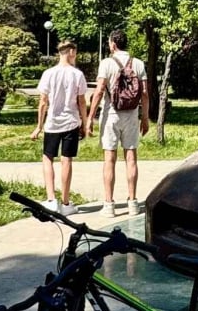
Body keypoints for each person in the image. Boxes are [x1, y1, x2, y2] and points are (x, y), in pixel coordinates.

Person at [87, 30, 151, 215]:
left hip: (111, 115)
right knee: (131, 158)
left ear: (113, 44)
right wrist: (144, 118)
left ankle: (109, 204)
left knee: (109, 159)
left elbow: (99, 91)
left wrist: (90, 117)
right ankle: (132, 202)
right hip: (131, 115)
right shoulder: (138, 64)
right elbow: (145, 93)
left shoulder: (106, 63)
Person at [30, 39, 88, 214]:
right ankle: (65, 202)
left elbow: (43, 102)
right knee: (66, 160)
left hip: (53, 123)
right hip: (71, 121)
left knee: (48, 158)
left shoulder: (48, 73)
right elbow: (82, 101)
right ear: (70, 52)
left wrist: (39, 126)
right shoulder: (77, 74)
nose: (75, 56)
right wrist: (85, 123)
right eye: (75, 52)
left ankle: (51, 199)